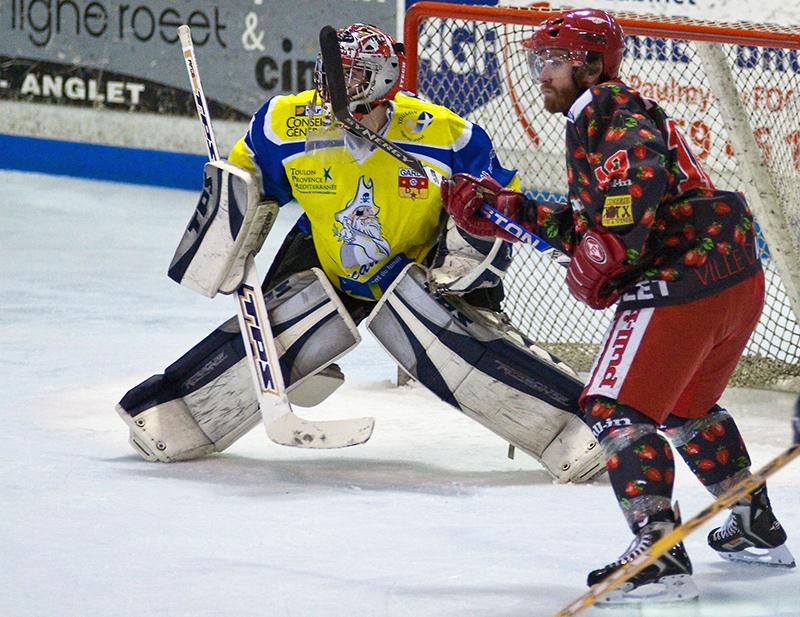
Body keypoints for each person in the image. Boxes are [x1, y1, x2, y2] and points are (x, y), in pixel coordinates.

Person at [116, 23, 606, 484]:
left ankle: (575, 429)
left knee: (450, 347)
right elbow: (247, 185)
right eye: (330, 74)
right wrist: (224, 239)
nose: (334, 88)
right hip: (327, 261)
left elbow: (493, 206)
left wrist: (462, 269)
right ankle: (169, 416)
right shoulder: (284, 122)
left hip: (416, 267)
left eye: (351, 76)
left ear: (384, 80)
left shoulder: (444, 134)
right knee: (281, 331)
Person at [440, 8, 794, 603]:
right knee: (686, 406)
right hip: (733, 276)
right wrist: (505, 210)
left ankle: (658, 554)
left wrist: (608, 254)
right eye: (538, 62)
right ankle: (753, 524)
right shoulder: (601, 115)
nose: (541, 74)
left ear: (592, 64)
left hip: (685, 281)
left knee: (613, 407)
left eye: (554, 62)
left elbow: (632, 189)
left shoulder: (609, 110)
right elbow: (593, 222)